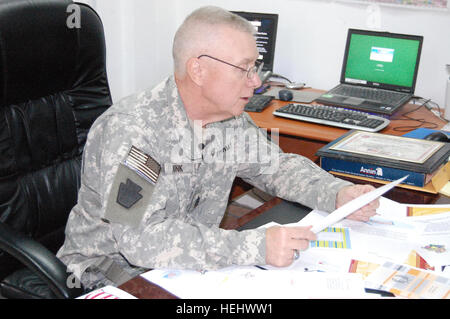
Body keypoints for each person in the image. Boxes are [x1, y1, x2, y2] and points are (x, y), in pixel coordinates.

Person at [57, 6, 379, 290]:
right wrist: (256, 246)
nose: (255, 82)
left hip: (184, 269)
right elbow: (140, 240)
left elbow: (276, 167)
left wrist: (337, 193)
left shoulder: (227, 119)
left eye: (256, 67)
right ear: (198, 69)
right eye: (244, 68)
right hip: (111, 273)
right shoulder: (135, 132)